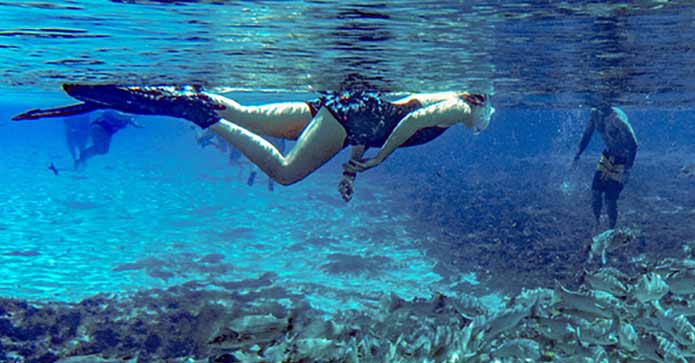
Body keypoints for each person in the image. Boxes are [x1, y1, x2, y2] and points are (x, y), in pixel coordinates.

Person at [14, 81, 495, 201]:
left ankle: (173, 98)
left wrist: (353, 166)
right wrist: (377, 162)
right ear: (479, 101)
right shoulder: (459, 107)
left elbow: (388, 118)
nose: (487, 122)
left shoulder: (452, 105)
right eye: (488, 112)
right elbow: (405, 126)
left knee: (246, 115)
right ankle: (202, 115)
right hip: (350, 116)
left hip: (346, 112)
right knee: (284, 175)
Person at [572, 104, 638, 229]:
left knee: (610, 199)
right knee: (595, 193)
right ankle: (596, 224)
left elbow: (633, 144)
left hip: (622, 159)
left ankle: (611, 229)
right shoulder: (595, 113)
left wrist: (627, 169)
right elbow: (587, 135)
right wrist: (577, 154)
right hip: (608, 156)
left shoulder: (617, 119)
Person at [64, 110, 139, 168]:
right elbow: (106, 113)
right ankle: (81, 157)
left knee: (103, 150)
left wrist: (131, 121)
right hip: (99, 129)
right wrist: (123, 116)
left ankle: (82, 157)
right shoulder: (118, 113)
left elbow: (128, 120)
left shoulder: (128, 118)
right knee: (101, 150)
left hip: (107, 132)